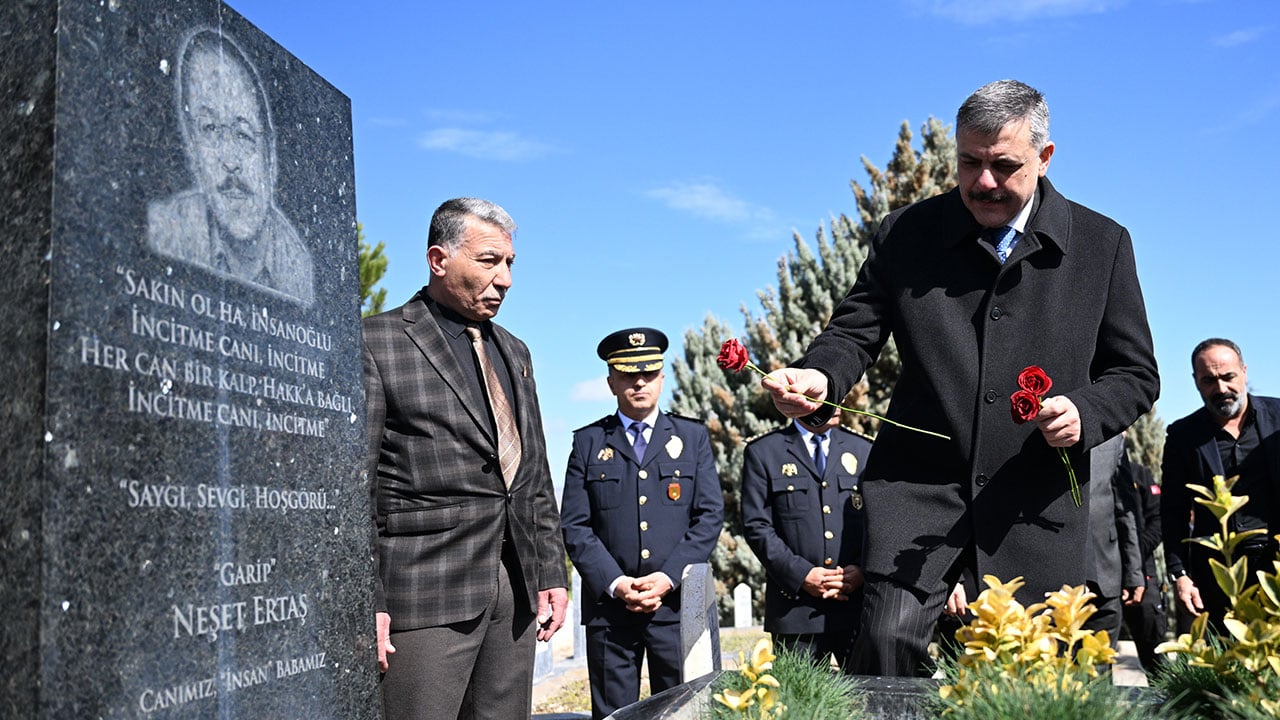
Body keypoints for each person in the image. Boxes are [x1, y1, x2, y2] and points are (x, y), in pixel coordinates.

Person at [761, 79, 1158, 677]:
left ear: (1045, 158)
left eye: (1004, 166)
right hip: (917, 494)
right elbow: (853, 331)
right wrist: (820, 375)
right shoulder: (906, 234)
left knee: (1031, 677)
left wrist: (1084, 412)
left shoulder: (1103, 245)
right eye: (969, 163)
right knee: (886, 645)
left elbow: (1134, 374)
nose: (983, 183)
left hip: (1033, 503)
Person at [362, 198, 569, 720]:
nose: (505, 279)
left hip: (514, 593)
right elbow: (351, 489)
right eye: (488, 261)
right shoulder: (376, 341)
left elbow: (533, 473)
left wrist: (551, 571)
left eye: (510, 264)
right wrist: (367, 598)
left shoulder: (515, 351)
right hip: (425, 590)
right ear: (438, 260)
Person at [560, 328, 724, 720]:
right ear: (611, 381)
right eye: (628, 374)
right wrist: (618, 585)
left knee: (683, 711)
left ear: (662, 378)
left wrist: (667, 577)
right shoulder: (588, 442)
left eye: (648, 373)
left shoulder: (692, 436)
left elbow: (708, 516)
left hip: (676, 605)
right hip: (611, 611)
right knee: (615, 714)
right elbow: (575, 525)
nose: (639, 382)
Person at [148, 28, 314, 305]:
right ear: (192, 148)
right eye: (210, 129)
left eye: (243, 134)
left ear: (269, 155)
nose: (230, 161)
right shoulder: (167, 230)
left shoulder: (297, 265)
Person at [740, 410, 872, 671]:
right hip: (796, 610)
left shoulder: (864, 449)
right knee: (801, 705)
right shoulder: (765, 451)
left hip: (857, 608)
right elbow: (757, 526)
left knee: (867, 704)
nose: (837, 404)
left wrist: (862, 570)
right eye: (823, 396)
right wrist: (803, 575)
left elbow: (882, 522)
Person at [1161, 338, 1279, 632]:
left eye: (1228, 377)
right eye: (1209, 380)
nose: (1221, 388)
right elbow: (1173, 511)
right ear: (1196, 382)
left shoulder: (1279, 420)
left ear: (1244, 371)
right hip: (1216, 575)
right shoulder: (1181, 436)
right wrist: (1180, 574)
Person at [1082, 434, 1144, 643]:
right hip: (1053, 580)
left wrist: (1134, 573)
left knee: (1100, 668)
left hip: (1106, 577)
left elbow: (1125, 510)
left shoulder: (1113, 437)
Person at [1119, 449, 1167, 671]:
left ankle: (1164, 702)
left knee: (1154, 652)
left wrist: (1134, 552)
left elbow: (1158, 521)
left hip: (1142, 573)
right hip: (1103, 572)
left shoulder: (1140, 474)